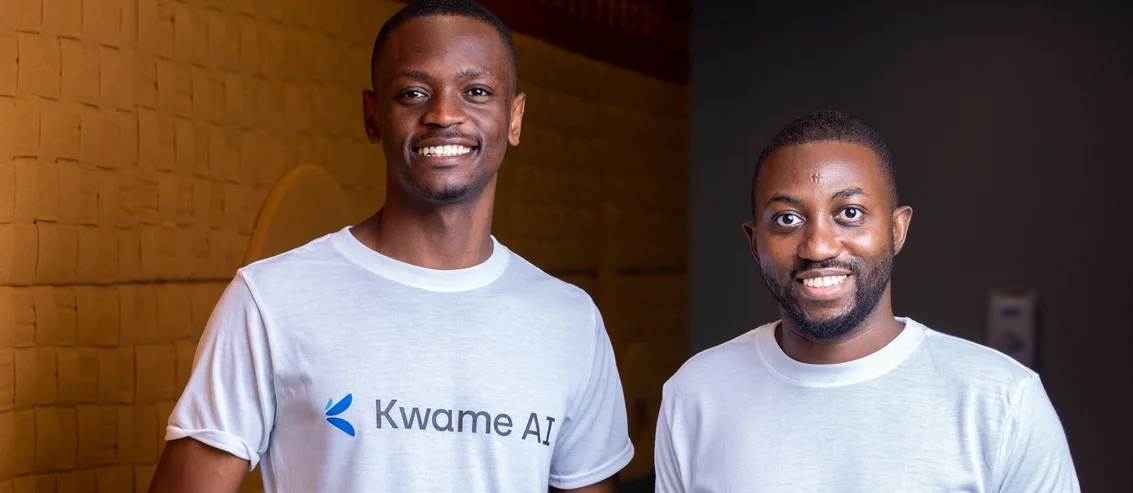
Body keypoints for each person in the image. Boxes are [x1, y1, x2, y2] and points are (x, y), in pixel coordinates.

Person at [148, 1, 633, 491]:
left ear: (515, 117)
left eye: (477, 92)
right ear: (373, 115)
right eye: (413, 92)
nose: (444, 114)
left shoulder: (570, 320)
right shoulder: (271, 300)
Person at [653, 110, 1079, 492]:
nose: (818, 246)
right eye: (787, 219)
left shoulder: (1002, 402)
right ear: (753, 241)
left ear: (897, 230)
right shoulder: (695, 394)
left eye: (850, 213)